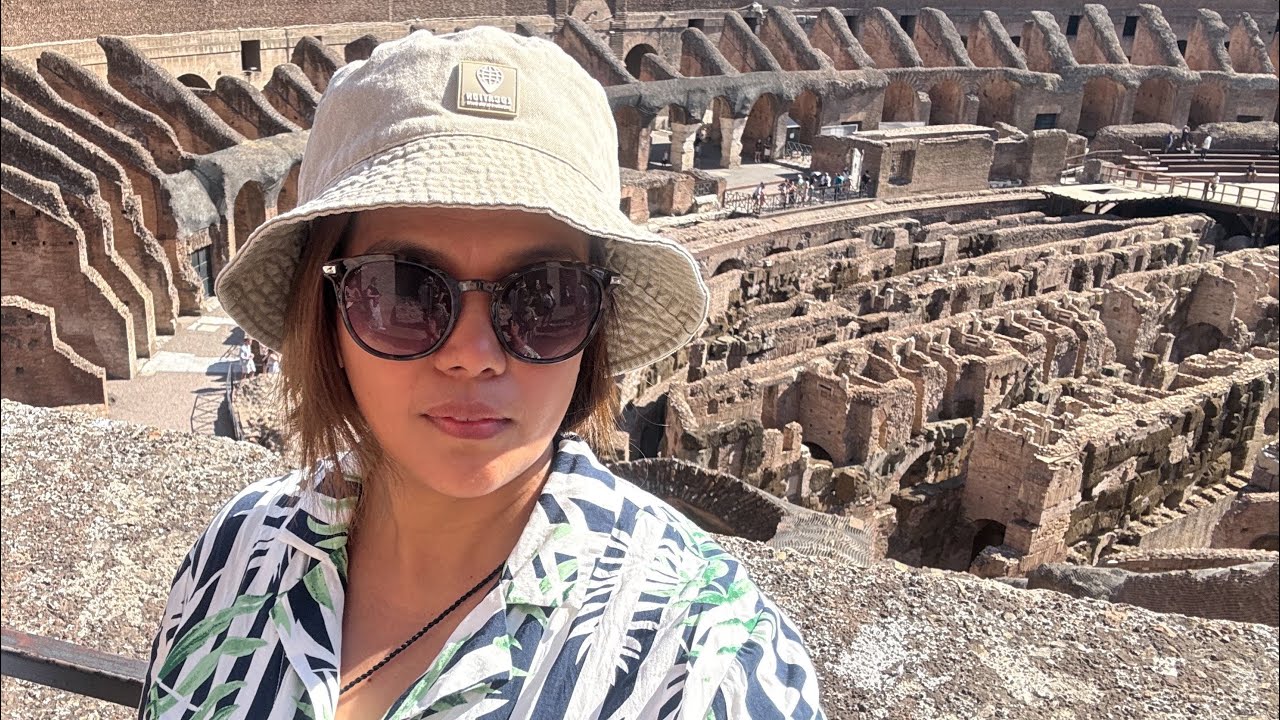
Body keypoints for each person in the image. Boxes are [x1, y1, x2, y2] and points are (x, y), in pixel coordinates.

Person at [139, 28, 823, 720]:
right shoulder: (236, 552)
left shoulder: (712, 669)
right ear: (327, 314)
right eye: (404, 291)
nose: (474, 354)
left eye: (544, 297)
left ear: (597, 324)